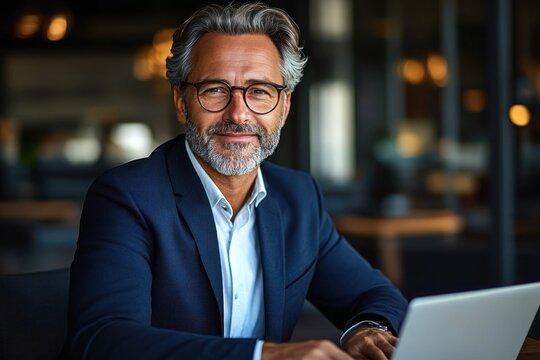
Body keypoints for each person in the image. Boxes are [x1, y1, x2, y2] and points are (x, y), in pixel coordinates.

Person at [66, 3, 407, 359]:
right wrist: (265, 355)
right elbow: (104, 340)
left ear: (284, 107)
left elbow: (377, 296)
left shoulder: (298, 197)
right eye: (215, 89)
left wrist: (369, 330)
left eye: (260, 91)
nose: (238, 113)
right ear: (181, 102)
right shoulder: (127, 197)